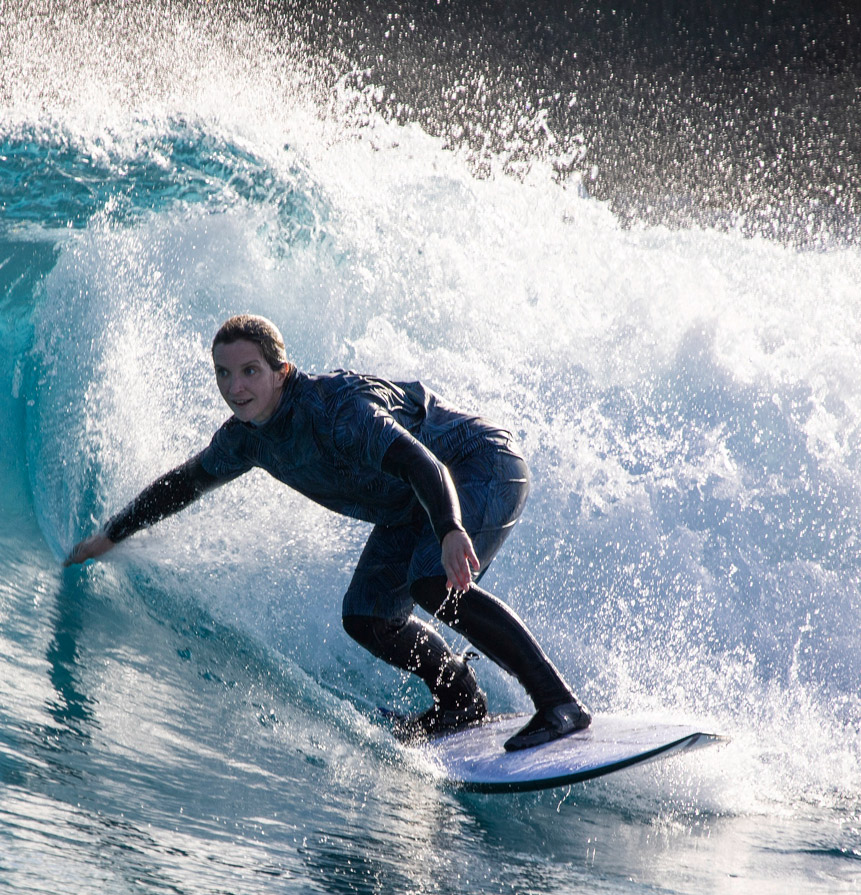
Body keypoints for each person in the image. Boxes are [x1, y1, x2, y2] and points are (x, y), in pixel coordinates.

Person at [66, 315, 591, 752]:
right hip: (409, 505)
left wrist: (451, 529)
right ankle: (459, 701)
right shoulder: (247, 439)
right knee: (367, 615)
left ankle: (557, 702)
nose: (235, 387)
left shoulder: (338, 409)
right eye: (224, 374)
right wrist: (112, 536)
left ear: (281, 369)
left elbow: (419, 460)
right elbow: (185, 484)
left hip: (477, 466)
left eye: (249, 371)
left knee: (433, 584)